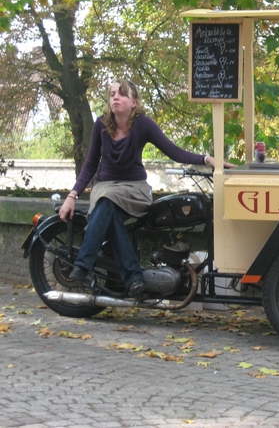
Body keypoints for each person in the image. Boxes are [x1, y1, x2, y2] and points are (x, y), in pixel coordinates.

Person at [59, 79, 234, 298]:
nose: (115, 97)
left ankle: (84, 265)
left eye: (121, 94)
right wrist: (72, 196)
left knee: (107, 203)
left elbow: (173, 151)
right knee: (107, 205)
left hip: (134, 190)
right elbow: (91, 164)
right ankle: (134, 280)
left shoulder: (143, 124)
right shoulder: (101, 125)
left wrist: (206, 159)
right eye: (112, 93)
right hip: (105, 188)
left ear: (133, 102)